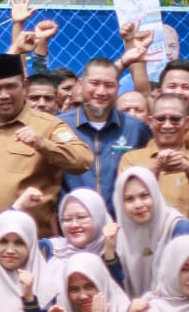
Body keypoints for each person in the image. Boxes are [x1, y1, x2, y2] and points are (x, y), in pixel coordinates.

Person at [0, 53, 94, 277]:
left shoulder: (48, 126)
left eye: (11, 86)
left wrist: (43, 144)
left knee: (27, 311)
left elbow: (83, 160)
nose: (3, 95)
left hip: (25, 254)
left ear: (24, 86)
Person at [118, 94, 189, 244]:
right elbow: (122, 204)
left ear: (187, 122)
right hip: (142, 247)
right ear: (150, 121)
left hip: (187, 249)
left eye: (175, 119)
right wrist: (155, 168)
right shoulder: (131, 159)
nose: (167, 125)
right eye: (160, 119)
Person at [58, 57, 150, 203]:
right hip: (74, 222)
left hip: (122, 222)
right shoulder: (59, 126)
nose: (101, 92)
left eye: (109, 85)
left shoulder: (135, 128)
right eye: (94, 83)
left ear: (118, 88)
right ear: (81, 84)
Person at [112, 166, 189, 297]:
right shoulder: (119, 234)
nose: (138, 204)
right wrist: (109, 255)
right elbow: (117, 288)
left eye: (144, 195)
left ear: (155, 194)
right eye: (129, 199)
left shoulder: (178, 228)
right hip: (134, 311)